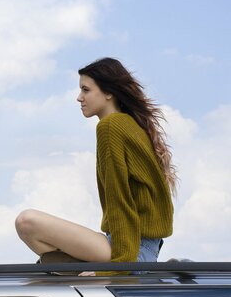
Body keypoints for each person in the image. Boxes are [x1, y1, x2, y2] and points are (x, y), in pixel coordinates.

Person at [15, 57, 176, 273]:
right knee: (49, 259)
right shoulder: (131, 125)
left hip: (129, 248)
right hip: (141, 246)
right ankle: (77, 272)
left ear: (108, 92)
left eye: (86, 90)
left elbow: (120, 199)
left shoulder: (111, 127)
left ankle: (88, 271)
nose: (79, 98)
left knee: (27, 222)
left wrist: (118, 267)